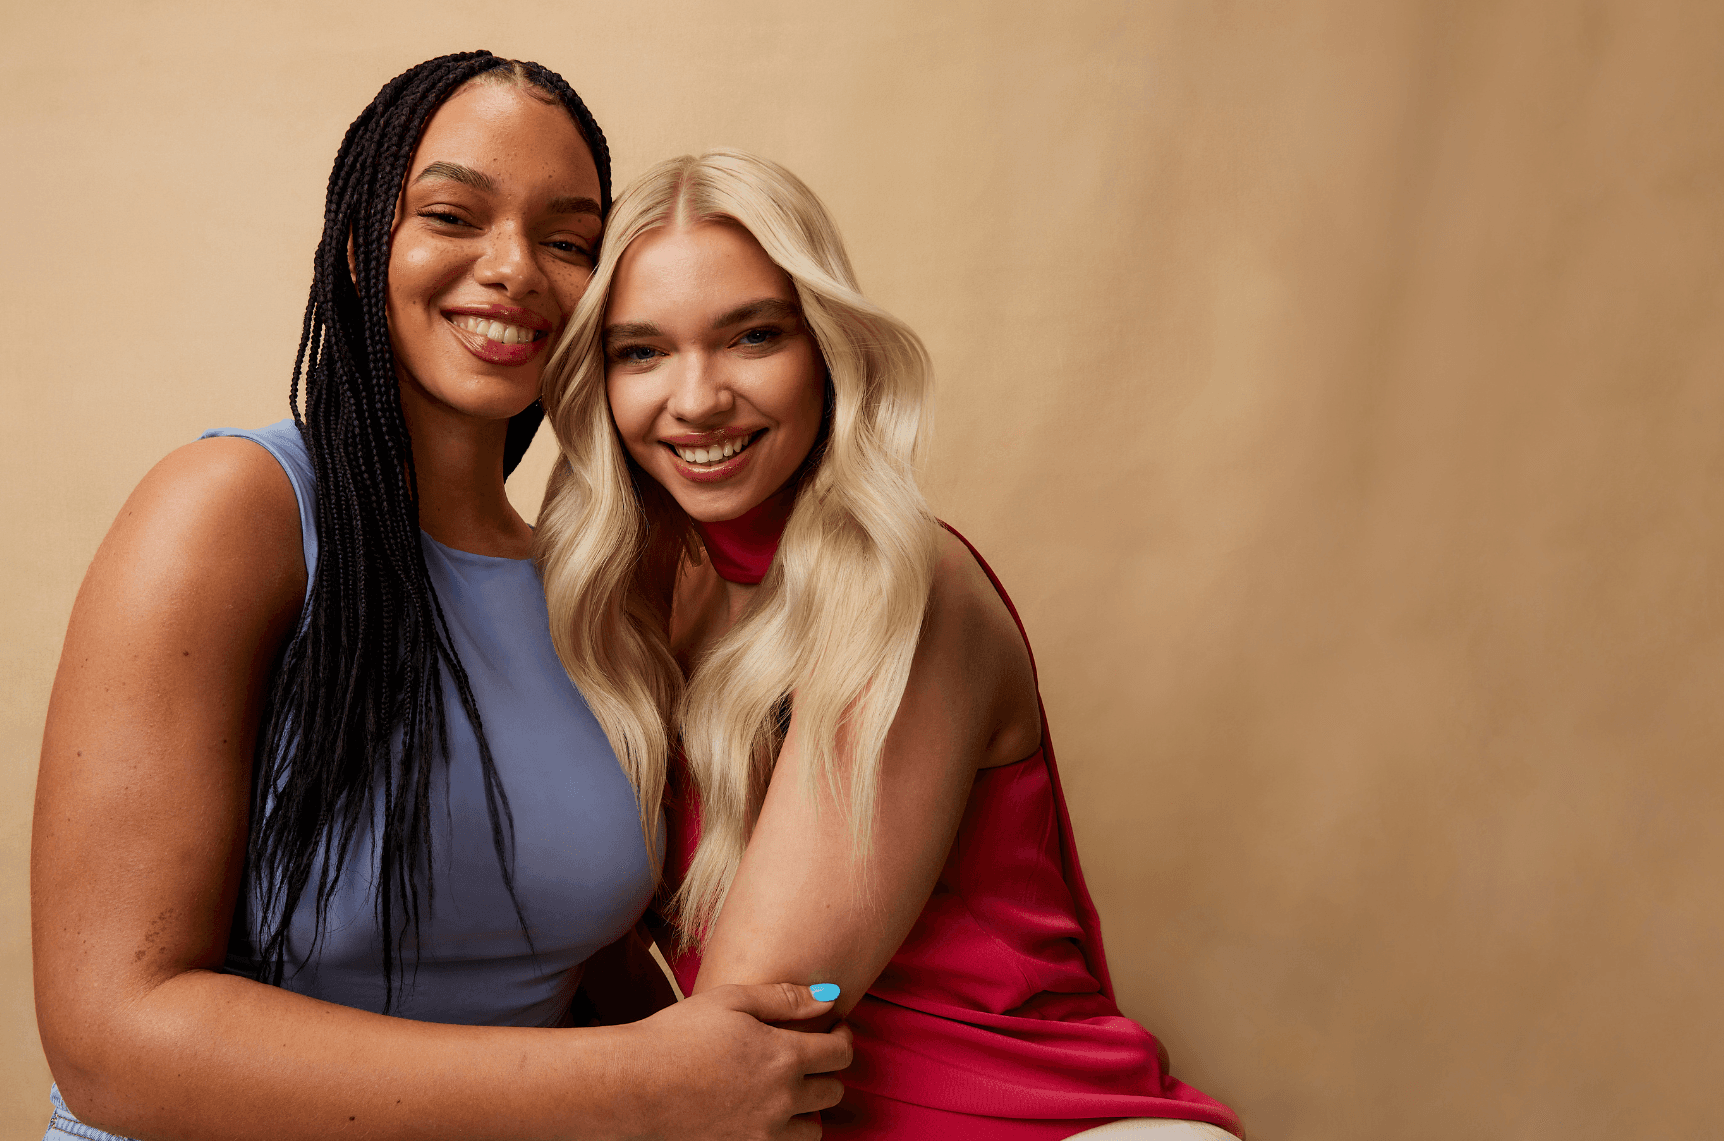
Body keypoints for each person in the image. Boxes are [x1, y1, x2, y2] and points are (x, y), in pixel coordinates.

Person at [31, 54, 849, 1141]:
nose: (513, 268)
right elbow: (110, 1042)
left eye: (567, 241)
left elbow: (570, 957)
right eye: (455, 214)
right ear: (367, 247)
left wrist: (727, 1079)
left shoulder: (598, 589)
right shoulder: (235, 510)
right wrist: (642, 1088)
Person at [536, 150, 1246, 1139]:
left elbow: (747, 1021)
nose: (696, 398)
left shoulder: (910, 589)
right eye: (642, 352)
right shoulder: (626, 605)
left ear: (825, 346)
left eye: (751, 336)